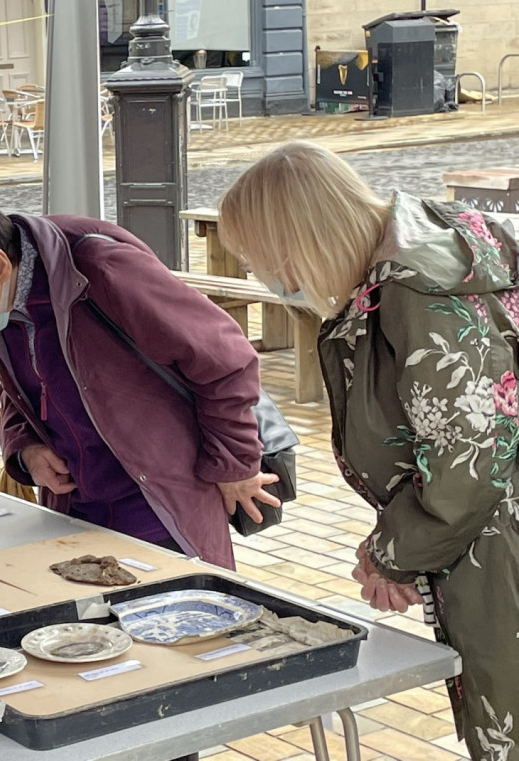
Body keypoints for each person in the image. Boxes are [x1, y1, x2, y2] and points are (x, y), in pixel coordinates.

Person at [217, 140, 519, 759]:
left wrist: (391, 555)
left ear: (297, 240)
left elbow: (471, 455)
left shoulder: (417, 289)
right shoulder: (431, 243)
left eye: (258, 256)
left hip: (498, 552)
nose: (257, 276)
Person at [0, 202, 279, 571]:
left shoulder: (99, 267)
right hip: (75, 510)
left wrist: (236, 463)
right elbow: (16, 392)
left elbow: (226, 359)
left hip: (158, 505)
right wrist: (26, 450)